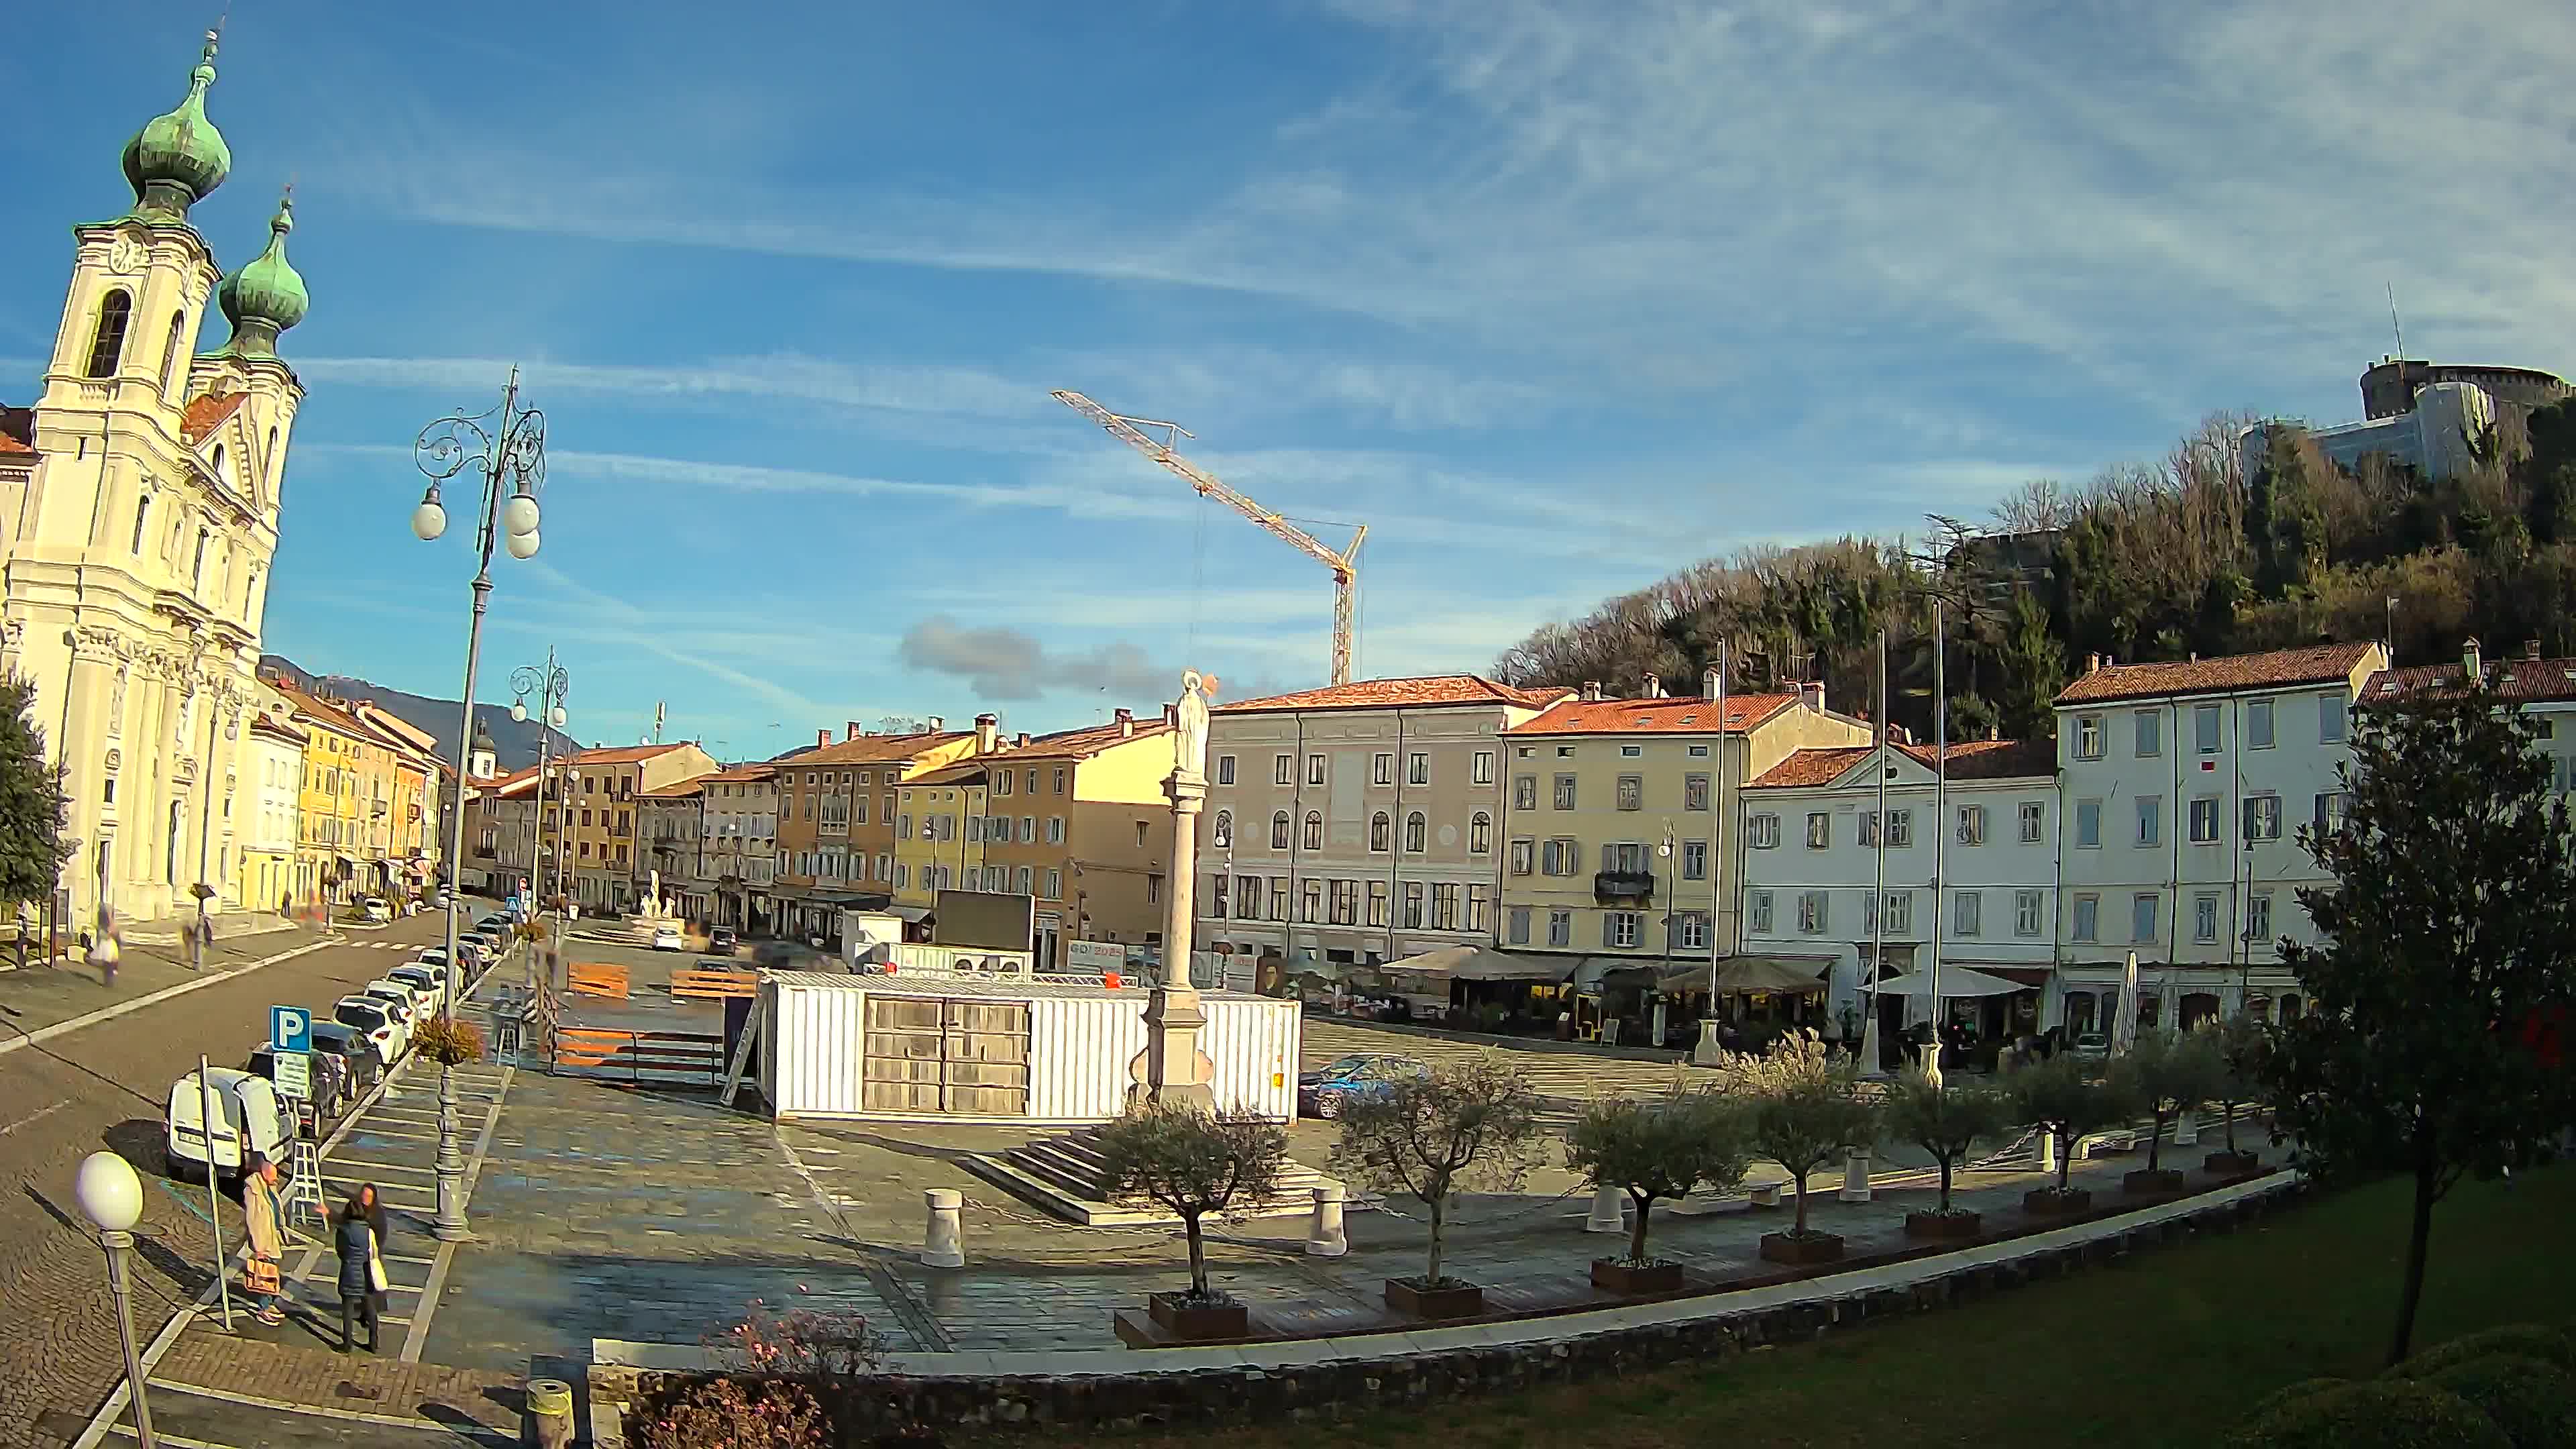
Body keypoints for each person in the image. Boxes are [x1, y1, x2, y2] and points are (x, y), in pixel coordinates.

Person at [335, 1187, 388, 1353]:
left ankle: (347, 1343)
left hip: (349, 1271)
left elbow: (340, 1250)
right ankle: (373, 1342)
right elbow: (374, 1252)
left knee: (348, 1309)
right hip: (366, 1272)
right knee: (370, 1308)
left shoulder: (343, 1230)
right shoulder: (368, 1231)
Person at [241, 1152, 287, 1326]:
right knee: (265, 1274)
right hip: (263, 1238)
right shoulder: (253, 1189)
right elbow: (252, 1219)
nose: (275, 1181)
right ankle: (264, 1308)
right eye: (273, 1177)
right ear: (264, 1173)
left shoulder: (269, 1186)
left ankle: (269, 1303)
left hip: (273, 1235)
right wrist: (258, 1248)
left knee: (272, 1272)